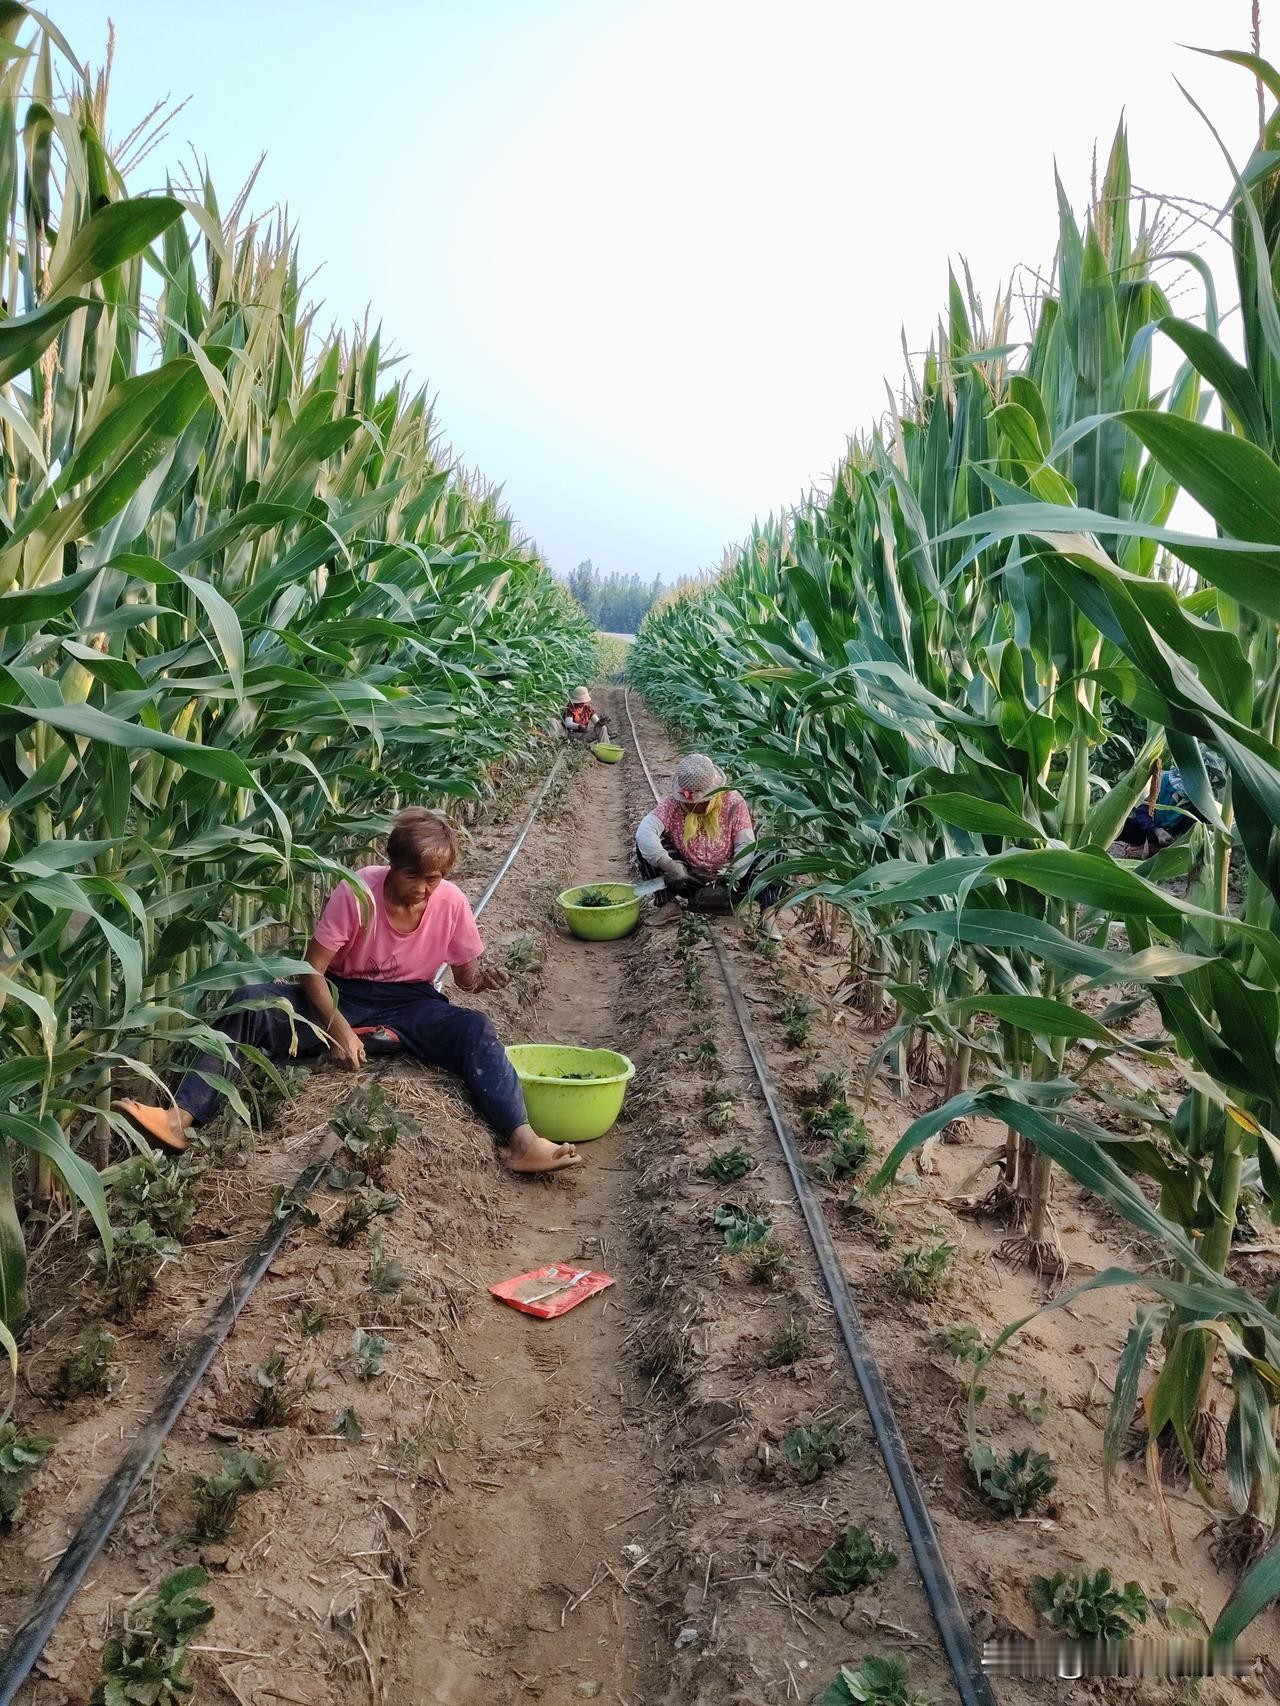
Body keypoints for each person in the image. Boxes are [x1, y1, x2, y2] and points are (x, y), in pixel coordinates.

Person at [117, 808, 580, 1175]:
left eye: (434, 879)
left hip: (410, 1003)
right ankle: (182, 1118)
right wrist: (337, 1025)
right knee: (251, 1003)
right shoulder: (358, 890)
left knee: (475, 1028)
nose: (423, 889)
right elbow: (308, 971)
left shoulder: (452, 903)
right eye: (413, 876)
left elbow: (465, 979)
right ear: (391, 865)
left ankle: (522, 1141)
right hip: (340, 994)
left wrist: (485, 979)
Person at [635, 753, 780, 928]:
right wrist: (669, 865)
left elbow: (745, 843)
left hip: (730, 879)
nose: (691, 806)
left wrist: (731, 874)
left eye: (699, 802)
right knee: (647, 845)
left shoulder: (733, 802)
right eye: (687, 803)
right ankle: (668, 904)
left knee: (775, 854)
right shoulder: (673, 805)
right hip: (689, 877)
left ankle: (768, 914)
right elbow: (645, 831)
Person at [1119, 765, 1203, 857]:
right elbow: (1142, 811)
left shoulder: (1201, 801)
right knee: (1121, 824)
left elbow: (1192, 829)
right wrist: (1157, 830)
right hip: (1149, 830)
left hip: (1174, 840)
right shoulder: (1161, 781)